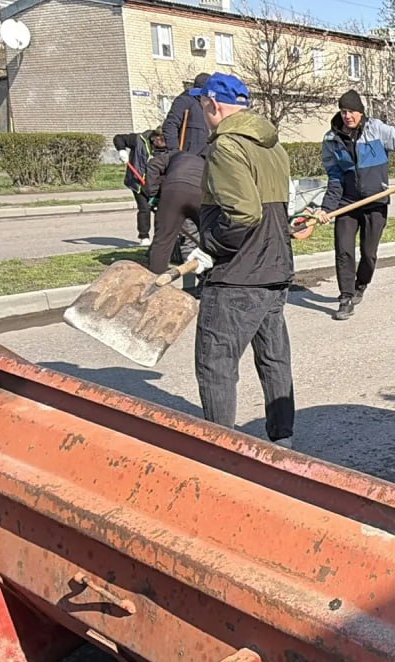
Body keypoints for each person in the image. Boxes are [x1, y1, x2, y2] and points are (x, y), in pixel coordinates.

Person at [188, 73, 296, 448]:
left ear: (212, 105)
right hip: (274, 268)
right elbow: (275, 209)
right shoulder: (273, 146)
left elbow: (244, 214)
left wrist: (211, 246)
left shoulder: (225, 147)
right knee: (273, 358)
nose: (203, 112)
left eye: (203, 105)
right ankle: (283, 442)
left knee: (216, 363)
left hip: (238, 275)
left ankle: (220, 450)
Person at [317, 90, 395, 320]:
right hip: (347, 202)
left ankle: (361, 283)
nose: (347, 116)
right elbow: (335, 178)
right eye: (344, 111)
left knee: (368, 253)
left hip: (376, 200)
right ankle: (345, 297)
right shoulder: (331, 139)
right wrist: (326, 208)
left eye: (352, 112)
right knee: (343, 250)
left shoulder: (377, 130)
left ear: (361, 112)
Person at [144, 145, 205, 274]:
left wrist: (153, 193)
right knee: (208, 239)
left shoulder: (172, 156)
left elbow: (152, 166)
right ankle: (208, 280)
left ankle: (156, 281)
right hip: (200, 193)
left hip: (173, 193)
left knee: (163, 241)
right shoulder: (204, 162)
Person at [113, 128, 167, 244]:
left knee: (162, 210)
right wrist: (121, 151)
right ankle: (144, 237)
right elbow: (118, 138)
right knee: (144, 209)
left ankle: (161, 237)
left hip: (157, 183)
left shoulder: (168, 146)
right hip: (138, 181)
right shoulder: (139, 140)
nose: (164, 142)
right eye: (161, 139)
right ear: (154, 137)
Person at [163, 73, 212, 155]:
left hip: (205, 155)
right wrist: (174, 151)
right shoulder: (184, 101)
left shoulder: (209, 105)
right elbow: (170, 124)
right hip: (187, 156)